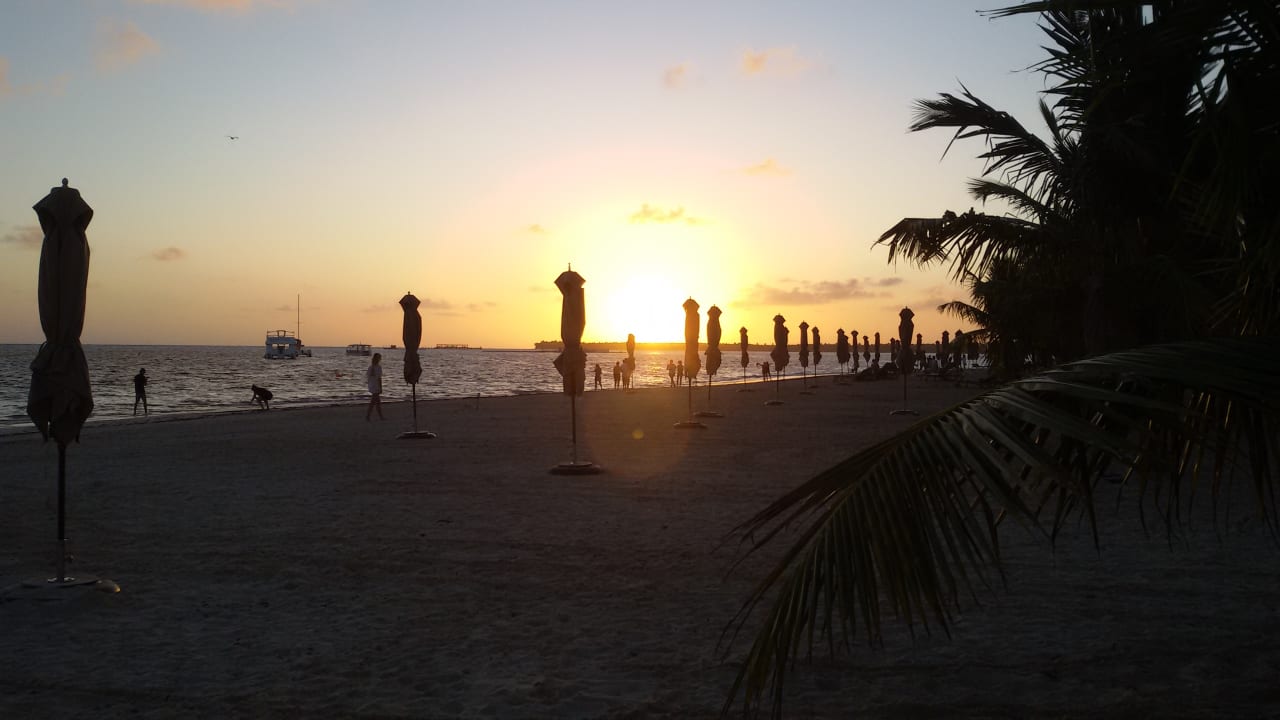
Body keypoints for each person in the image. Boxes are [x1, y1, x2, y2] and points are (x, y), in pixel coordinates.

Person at [365, 352, 384, 421]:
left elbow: (368, 377)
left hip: (372, 385)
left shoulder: (370, 367)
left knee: (377, 402)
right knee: (373, 402)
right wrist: (381, 387)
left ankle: (380, 416)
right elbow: (379, 378)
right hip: (376, 386)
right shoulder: (378, 367)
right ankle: (368, 416)